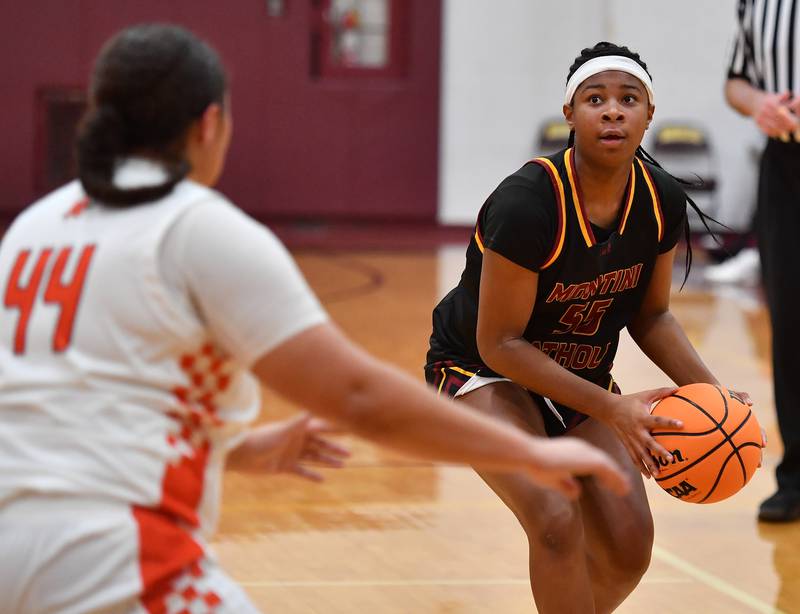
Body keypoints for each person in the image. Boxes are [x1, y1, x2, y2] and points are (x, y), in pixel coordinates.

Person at [0, 25, 631, 614]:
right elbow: (359, 397)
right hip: (108, 557)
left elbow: (72, 414)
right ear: (209, 124)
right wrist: (521, 450)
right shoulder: (195, 227)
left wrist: (239, 450)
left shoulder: (33, 230)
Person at [425, 42, 758, 613]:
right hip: (479, 369)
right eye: (594, 99)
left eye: (628, 99)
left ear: (648, 114)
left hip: (578, 374)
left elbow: (650, 316)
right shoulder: (527, 203)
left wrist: (712, 394)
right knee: (554, 519)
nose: (612, 111)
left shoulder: (660, 201)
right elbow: (499, 344)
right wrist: (613, 409)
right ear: (570, 114)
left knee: (629, 548)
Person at [726, 0, 800, 522]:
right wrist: (759, 105)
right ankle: (795, 478)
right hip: (786, 166)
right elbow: (736, 80)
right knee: (791, 323)